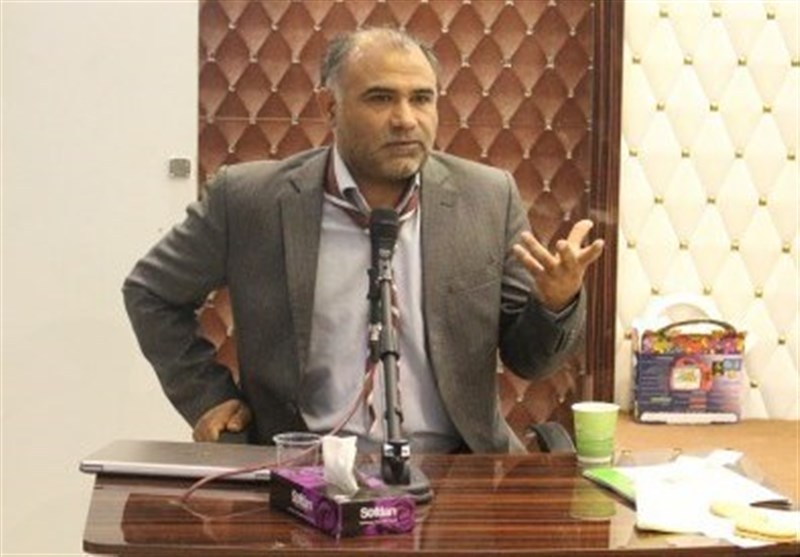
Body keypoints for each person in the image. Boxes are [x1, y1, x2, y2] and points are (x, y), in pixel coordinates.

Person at [123, 27, 604, 454]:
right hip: (303, 468)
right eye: (380, 98)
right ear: (329, 108)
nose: (405, 119)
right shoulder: (250, 200)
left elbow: (531, 361)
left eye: (422, 98)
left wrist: (554, 304)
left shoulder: (488, 198)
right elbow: (151, 292)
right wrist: (207, 396)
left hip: (456, 467)